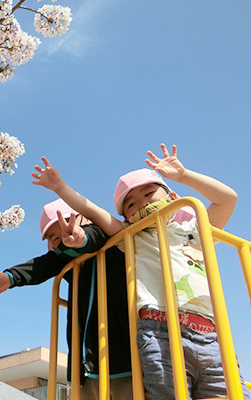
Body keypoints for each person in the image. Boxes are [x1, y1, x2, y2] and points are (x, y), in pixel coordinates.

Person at [31, 143, 251, 400]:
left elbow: (227, 198)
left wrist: (183, 175)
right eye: (131, 204)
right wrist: (60, 188)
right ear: (126, 217)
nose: (142, 203)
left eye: (149, 194)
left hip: (210, 332)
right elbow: (92, 210)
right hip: (159, 329)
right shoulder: (132, 237)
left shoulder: (194, 227)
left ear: (171, 196)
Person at [0, 199, 133, 399]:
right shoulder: (69, 264)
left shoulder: (106, 239)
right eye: (55, 238)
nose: (65, 238)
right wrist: (10, 277)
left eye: (70, 225)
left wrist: (81, 237)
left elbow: (92, 236)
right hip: (84, 368)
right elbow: (43, 265)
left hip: (124, 360)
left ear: (85, 219)